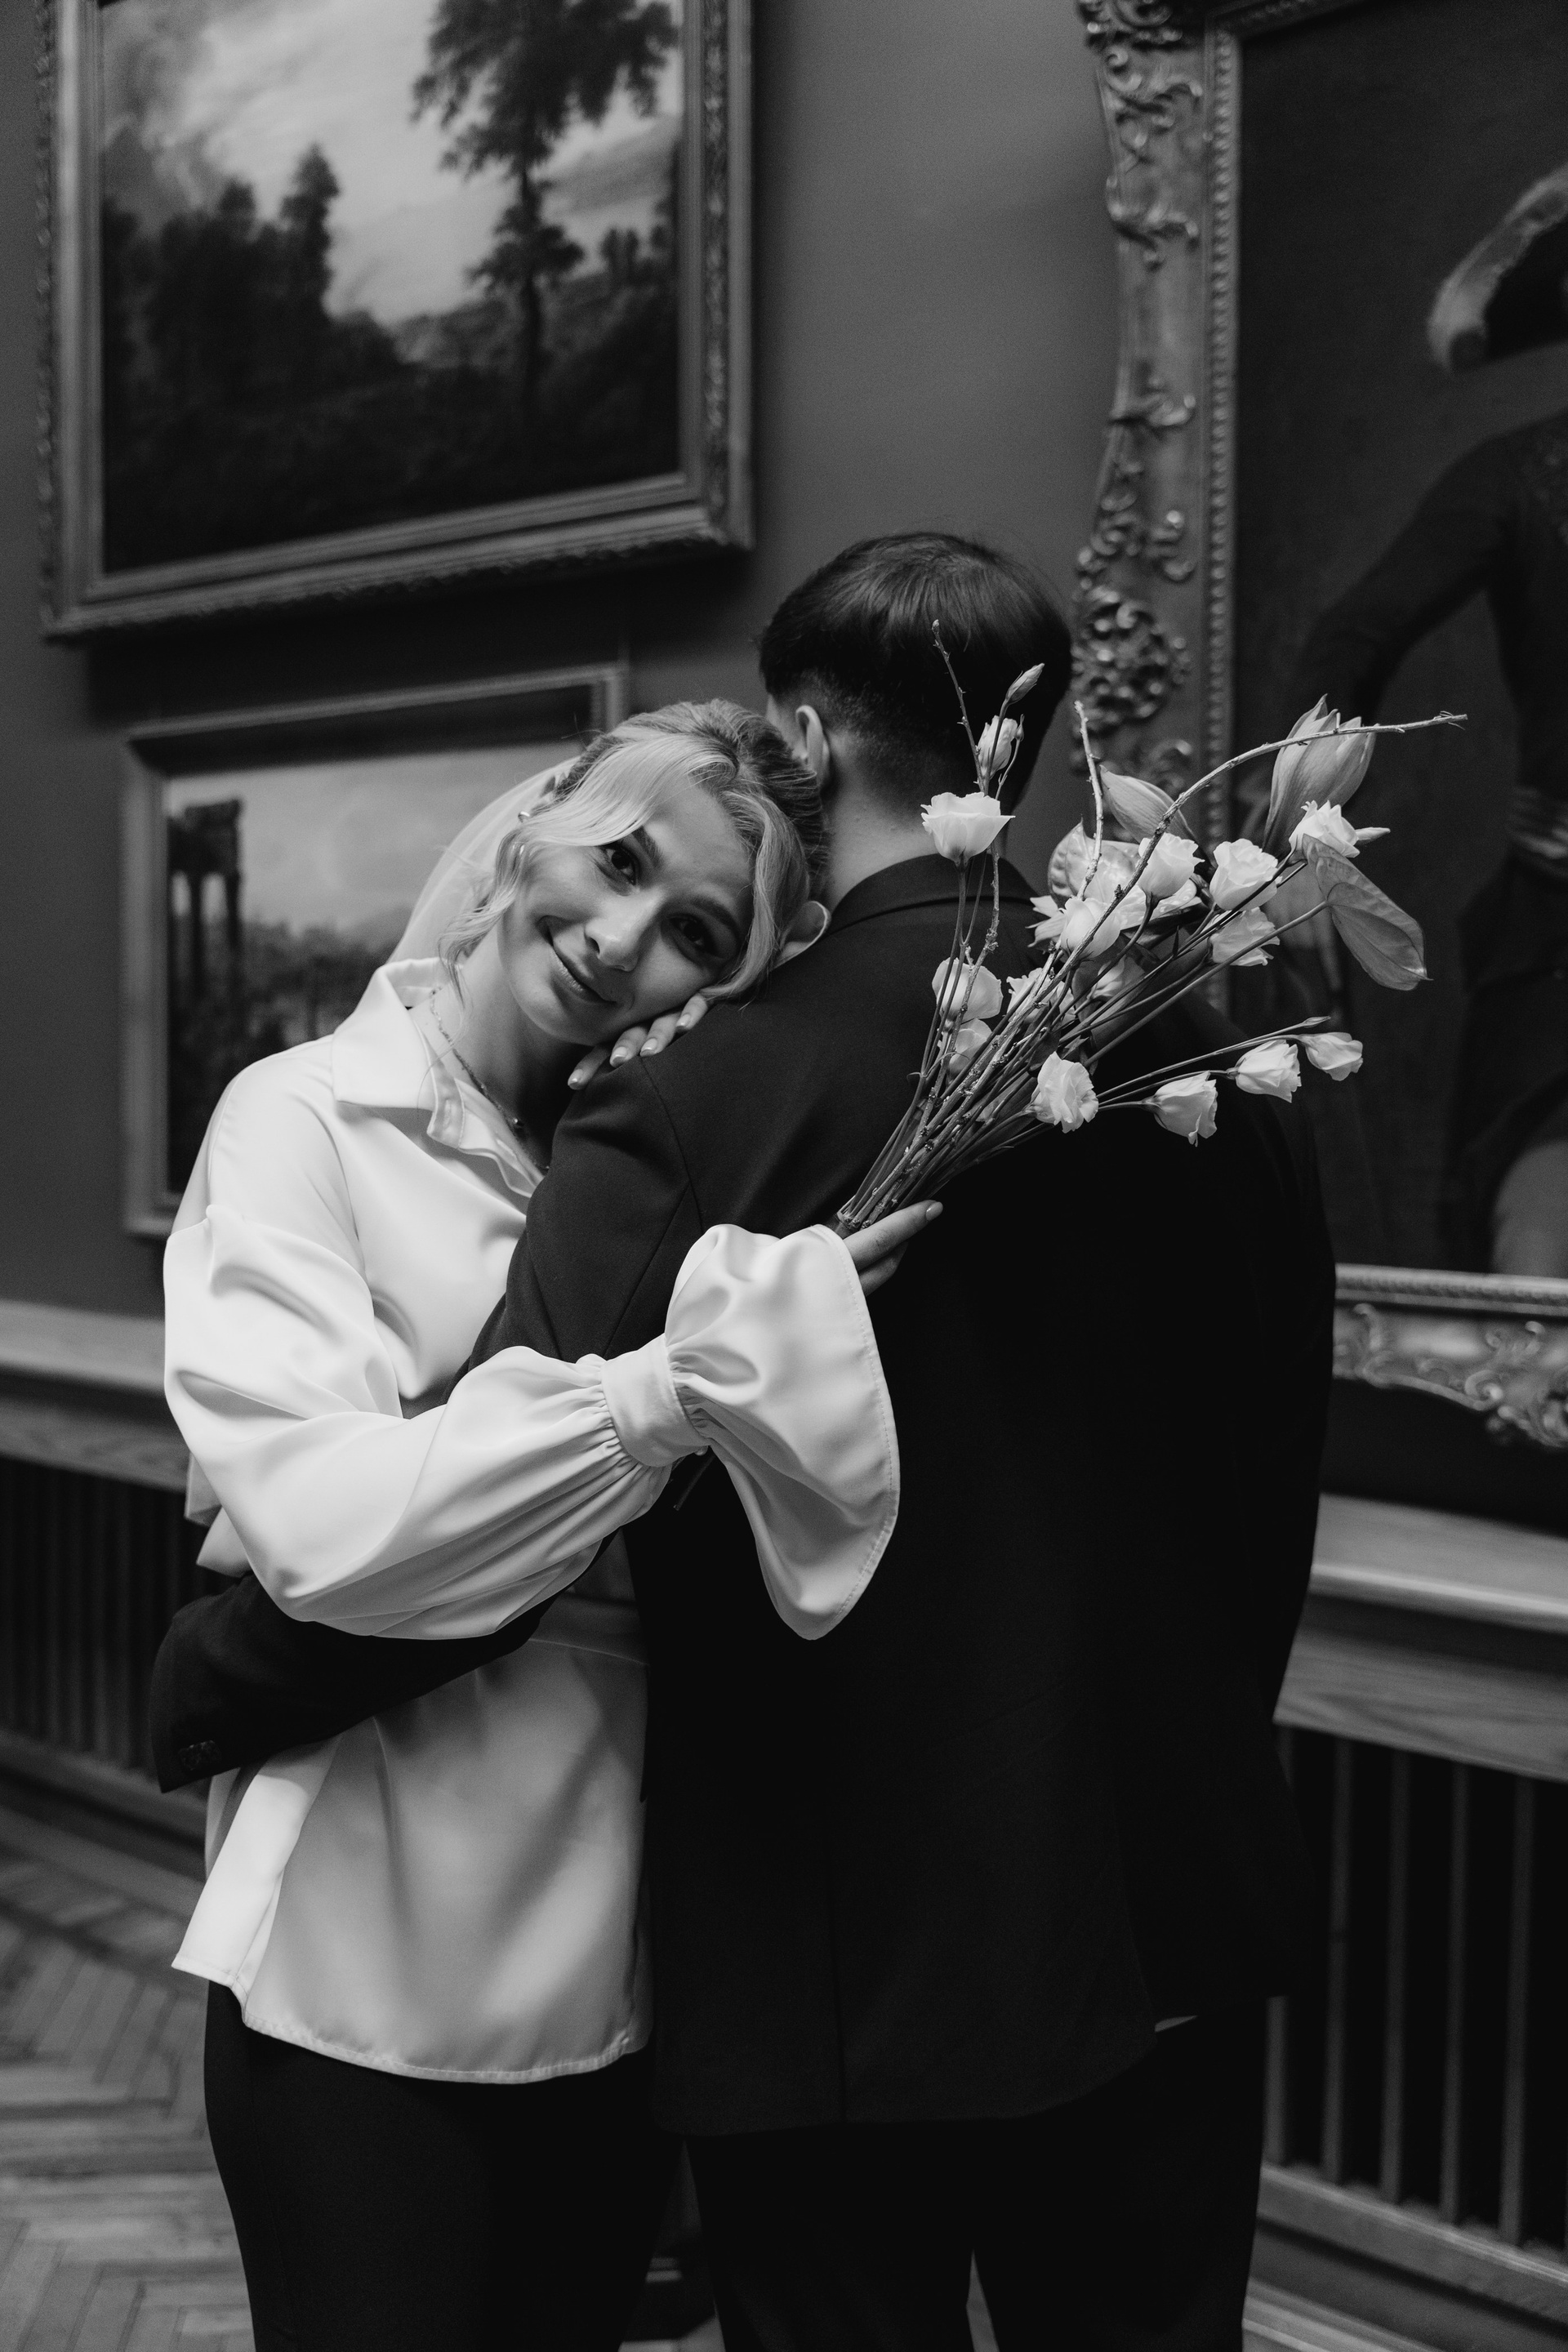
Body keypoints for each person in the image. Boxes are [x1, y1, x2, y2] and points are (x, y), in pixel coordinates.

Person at [158, 534, 1335, 2350]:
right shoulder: (1213, 1069)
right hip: (1169, 1919)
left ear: (801, 737)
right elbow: (1270, 1496)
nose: (634, 941)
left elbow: (510, 1480)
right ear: (1021, 749)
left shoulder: (696, 1093)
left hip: (824, 1959)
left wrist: (216, 1673)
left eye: (693, 911)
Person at [158, 701, 931, 2352]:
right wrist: (661, 1397)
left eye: (694, 933)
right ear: (534, 831)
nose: (621, 938)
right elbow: (328, 1533)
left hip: (617, 1967)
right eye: (620, 862)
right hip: (363, 1944)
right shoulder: (303, 1119)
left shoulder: (660, 1157)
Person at [1289, 166, 1568, 1275]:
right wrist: (1309, 837)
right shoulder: (1524, 475)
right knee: (1532, 1248)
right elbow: (1352, 641)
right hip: (1557, 956)